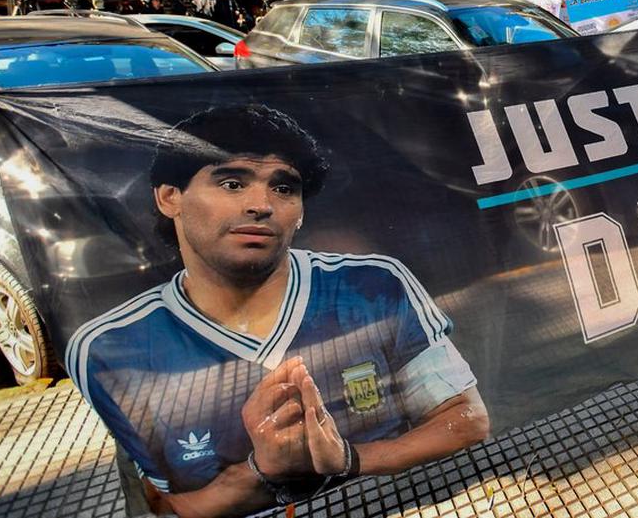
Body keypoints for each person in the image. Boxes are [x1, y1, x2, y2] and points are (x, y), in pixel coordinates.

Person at [66, 105, 489, 518]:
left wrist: (349, 458)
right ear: (169, 197)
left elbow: (466, 418)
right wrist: (260, 469)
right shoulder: (110, 347)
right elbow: (167, 505)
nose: (261, 204)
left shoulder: (373, 285)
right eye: (232, 183)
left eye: (284, 188)